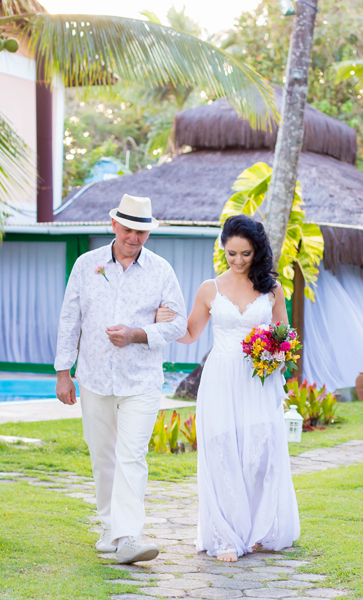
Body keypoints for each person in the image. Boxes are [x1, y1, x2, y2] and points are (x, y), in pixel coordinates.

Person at [155, 214, 300, 563]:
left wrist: (274, 352)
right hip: (220, 377)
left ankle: (257, 530)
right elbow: (190, 334)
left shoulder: (271, 288)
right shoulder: (210, 288)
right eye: (231, 253)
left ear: (257, 252)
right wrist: (165, 322)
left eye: (245, 254)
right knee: (221, 451)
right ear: (223, 248)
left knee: (258, 453)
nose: (237, 261)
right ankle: (225, 536)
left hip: (257, 379)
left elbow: (285, 336)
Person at [54, 194, 187, 564]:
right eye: (128, 229)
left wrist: (138, 333)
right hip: (95, 377)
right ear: (114, 225)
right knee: (103, 456)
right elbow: (70, 320)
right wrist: (63, 372)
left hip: (141, 381)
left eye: (141, 232)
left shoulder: (161, 270)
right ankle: (110, 527)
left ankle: (129, 536)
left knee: (132, 455)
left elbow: (178, 323)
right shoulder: (86, 265)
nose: (134, 237)